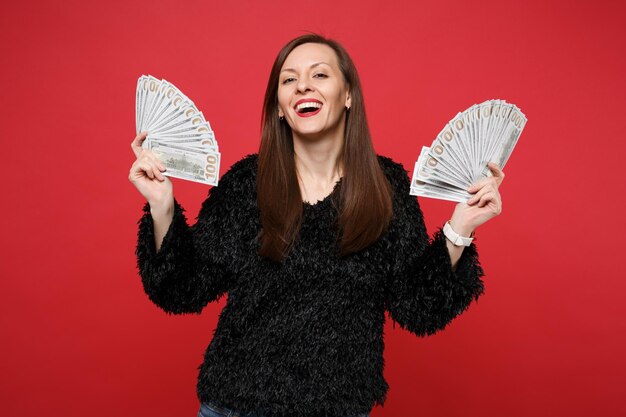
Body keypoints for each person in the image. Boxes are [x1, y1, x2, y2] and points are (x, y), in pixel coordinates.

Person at [128, 34, 504, 417]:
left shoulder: (387, 187)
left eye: (319, 74)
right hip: (234, 408)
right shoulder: (247, 184)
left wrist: (460, 229)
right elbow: (181, 290)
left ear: (348, 96)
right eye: (288, 80)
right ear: (279, 106)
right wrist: (161, 206)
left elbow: (417, 310)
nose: (302, 85)